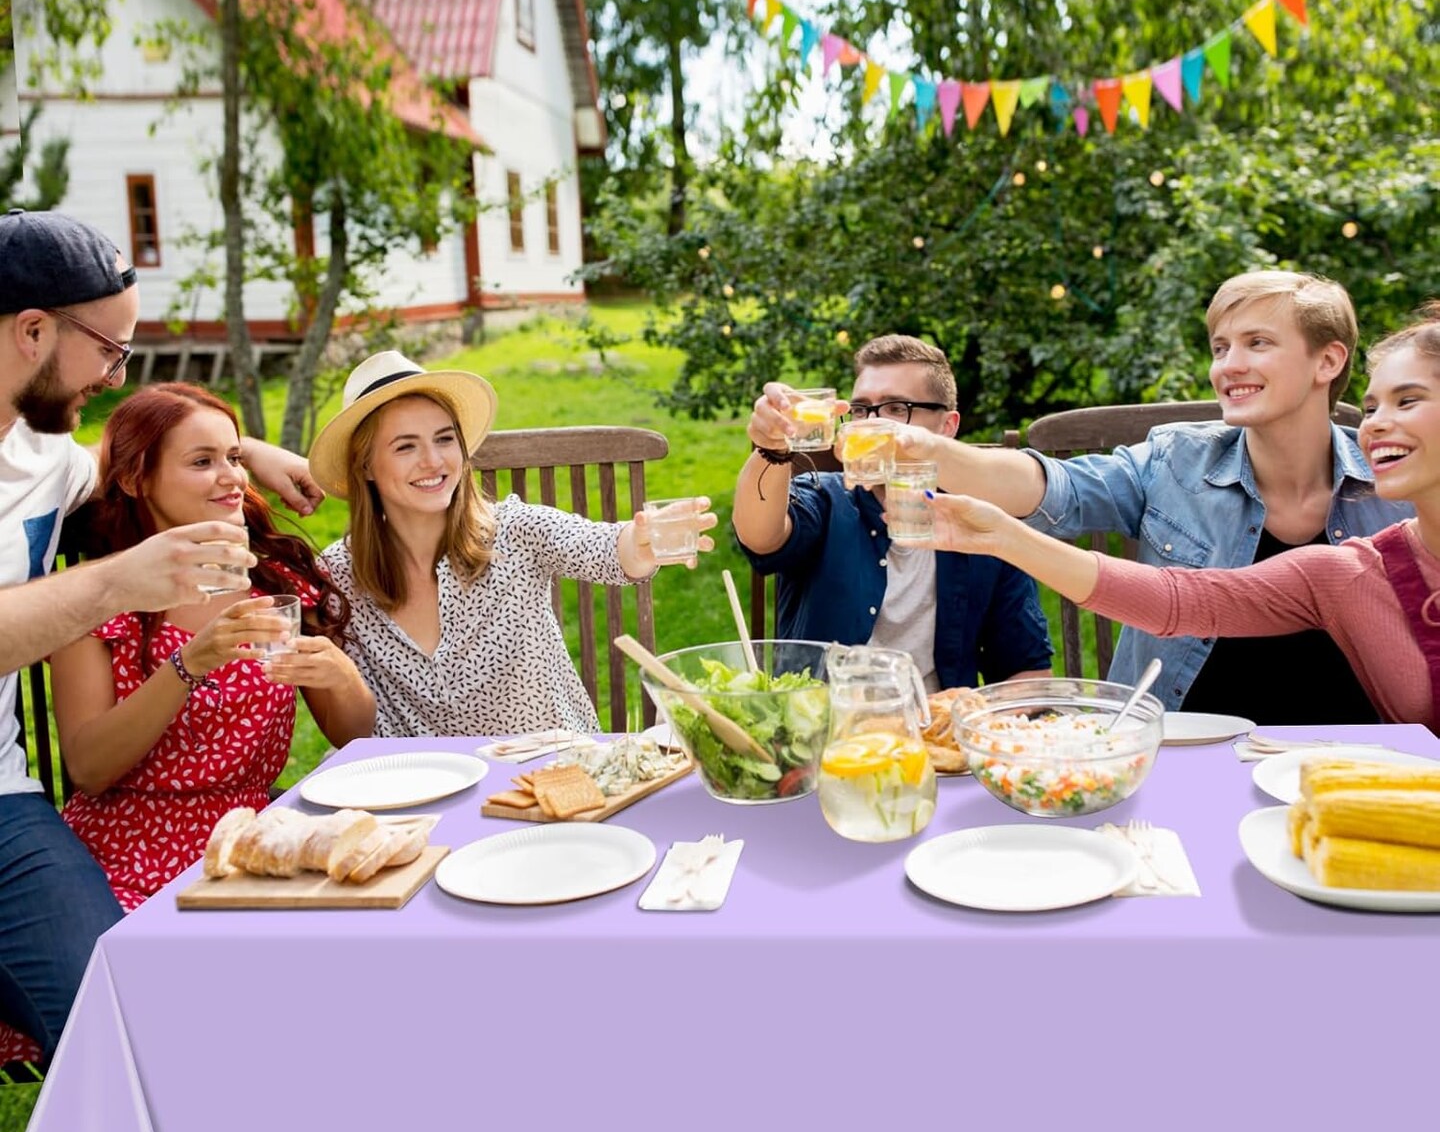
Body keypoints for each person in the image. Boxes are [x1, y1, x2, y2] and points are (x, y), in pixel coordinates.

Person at [0, 208, 324, 1070]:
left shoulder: (46, 455)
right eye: (109, 350)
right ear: (33, 331)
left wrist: (244, 449)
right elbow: (96, 759)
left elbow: (138, 446)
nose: (113, 375)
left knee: (125, 1015)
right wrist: (116, 584)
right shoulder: (98, 557)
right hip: (112, 815)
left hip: (5, 806)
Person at [885, 272, 1413, 720]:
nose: (1228, 365)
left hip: (1358, 755)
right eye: (1220, 347)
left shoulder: (1403, 480)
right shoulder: (1175, 460)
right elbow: (1054, 486)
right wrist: (933, 451)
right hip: (1189, 744)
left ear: (1328, 362)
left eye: (1258, 343)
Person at [50, 385, 376, 911]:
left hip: (251, 841)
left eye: (234, 458)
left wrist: (340, 677)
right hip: (127, 851)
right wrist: (189, 664)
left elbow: (353, 733)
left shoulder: (274, 579)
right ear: (136, 479)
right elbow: (88, 769)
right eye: (202, 462)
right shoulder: (99, 597)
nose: (232, 478)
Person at [307, 351, 719, 735]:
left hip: (560, 783)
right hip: (425, 802)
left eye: (445, 439)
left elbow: (607, 549)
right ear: (365, 465)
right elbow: (351, 729)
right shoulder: (338, 578)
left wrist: (642, 542)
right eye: (406, 446)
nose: (433, 461)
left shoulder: (514, 530)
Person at [733, 334, 1054, 691]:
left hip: (935, 737)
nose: (871, 423)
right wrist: (772, 450)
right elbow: (759, 535)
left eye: (895, 409)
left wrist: (961, 719)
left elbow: (1029, 673)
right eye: (860, 410)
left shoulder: (983, 523)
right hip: (822, 734)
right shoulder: (827, 498)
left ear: (947, 426)